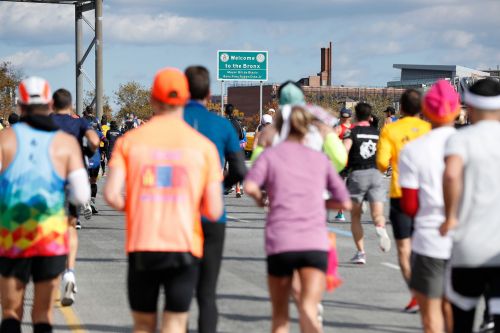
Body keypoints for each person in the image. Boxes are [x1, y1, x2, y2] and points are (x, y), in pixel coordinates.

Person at [104, 68, 224, 333]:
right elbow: (214, 210)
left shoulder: (129, 142)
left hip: (143, 245)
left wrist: (137, 204)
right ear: (184, 99)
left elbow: (111, 195)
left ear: (152, 100)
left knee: (144, 324)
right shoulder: (204, 147)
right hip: (184, 244)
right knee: (175, 322)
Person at [245, 105, 352, 333]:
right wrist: (319, 202)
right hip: (314, 242)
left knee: (280, 316)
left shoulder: (272, 155)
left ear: (281, 127)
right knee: (308, 308)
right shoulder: (319, 159)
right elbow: (345, 202)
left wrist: (262, 200)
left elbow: (250, 186)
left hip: (281, 242)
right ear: (308, 128)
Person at [0, 77, 90, 333]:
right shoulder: (65, 143)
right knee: (42, 313)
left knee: (10, 312)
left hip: (12, 235)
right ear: (49, 104)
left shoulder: (5, 139)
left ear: (20, 106)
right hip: (49, 237)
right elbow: (82, 196)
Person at [183, 65, 246, 333]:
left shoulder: (170, 122)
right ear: (209, 93)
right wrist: (221, 187)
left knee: (179, 289)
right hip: (211, 211)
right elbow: (240, 169)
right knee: (207, 294)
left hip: (177, 212)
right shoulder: (222, 125)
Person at [399, 80, 460, 333]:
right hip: (466, 240)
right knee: (453, 309)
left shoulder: (413, 150)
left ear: (426, 110)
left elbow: (410, 206)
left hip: (429, 239)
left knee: (430, 315)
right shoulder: (469, 143)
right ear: (457, 110)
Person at [440, 78, 500, 333]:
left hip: (468, 244)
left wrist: (450, 217)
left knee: (461, 316)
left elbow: (452, 174)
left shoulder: (460, 138)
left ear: (469, 108)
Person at [376, 89, 431, 312]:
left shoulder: (391, 129)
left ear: (401, 109)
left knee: (404, 248)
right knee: (427, 245)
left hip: (400, 193)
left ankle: (416, 293)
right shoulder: (430, 129)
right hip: (427, 193)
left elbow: (381, 163)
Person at [51, 88, 100, 306]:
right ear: (70, 105)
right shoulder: (80, 122)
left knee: (51, 227)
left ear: (53, 105)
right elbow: (94, 141)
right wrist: (88, 152)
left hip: (50, 178)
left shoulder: (45, 121)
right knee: (70, 226)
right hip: (73, 176)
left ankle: (52, 276)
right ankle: (69, 273)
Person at [343, 102, 391, 264]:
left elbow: (344, 152)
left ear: (356, 115)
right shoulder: (378, 133)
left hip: (358, 174)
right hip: (376, 174)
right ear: (370, 117)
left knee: (355, 217)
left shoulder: (352, 132)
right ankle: (381, 228)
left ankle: (361, 252)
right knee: (378, 214)